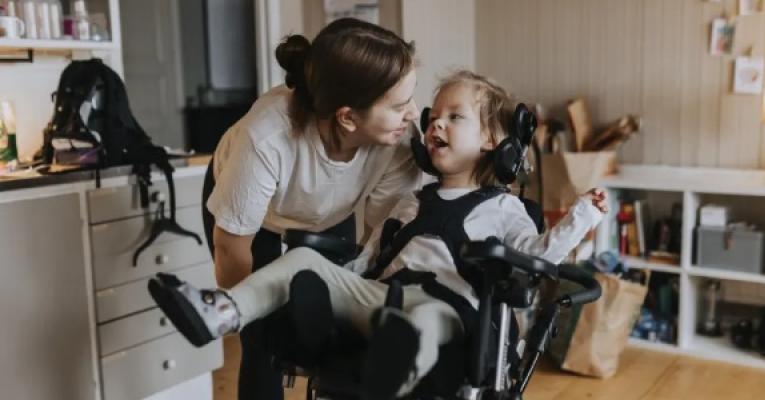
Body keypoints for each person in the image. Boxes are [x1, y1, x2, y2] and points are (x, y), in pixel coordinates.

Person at [155, 70, 608, 400]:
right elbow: (372, 256)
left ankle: (393, 369)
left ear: (491, 139)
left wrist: (582, 215)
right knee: (306, 264)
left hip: (447, 307)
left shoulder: (505, 208)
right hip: (381, 295)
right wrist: (337, 284)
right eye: (434, 116)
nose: (435, 124)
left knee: (424, 324)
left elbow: (538, 255)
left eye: (456, 117)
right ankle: (224, 311)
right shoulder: (412, 200)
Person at [201, 18, 423, 400]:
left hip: (330, 213)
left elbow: (377, 245)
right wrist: (255, 315)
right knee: (265, 341)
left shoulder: (398, 143)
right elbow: (231, 249)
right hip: (256, 220)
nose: (414, 114)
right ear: (348, 116)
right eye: (400, 105)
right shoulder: (266, 138)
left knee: (334, 325)